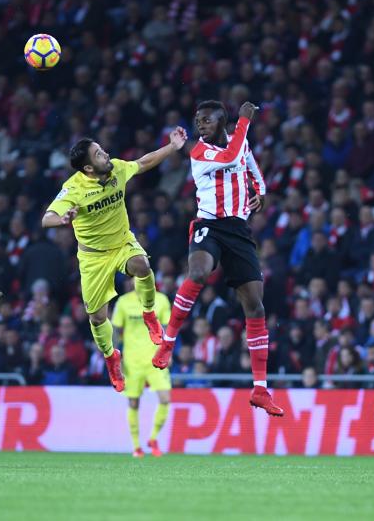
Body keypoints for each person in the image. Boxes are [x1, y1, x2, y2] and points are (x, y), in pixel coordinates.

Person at [152, 100, 283, 417]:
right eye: (198, 120)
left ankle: (260, 389)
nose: (200, 124)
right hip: (209, 225)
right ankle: (168, 341)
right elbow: (232, 157)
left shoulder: (240, 142)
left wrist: (261, 191)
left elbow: (248, 161)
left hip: (239, 230)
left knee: (255, 306)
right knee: (198, 272)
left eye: (207, 120)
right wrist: (245, 121)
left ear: (221, 121)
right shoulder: (200, 151)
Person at [42, 127, 187, 392]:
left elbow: (144, 163)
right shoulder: (73, 188)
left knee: (142, 265)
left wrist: (172, 147)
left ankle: (149, 314)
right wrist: (61, 219)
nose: (106, 154)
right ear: (88, 168)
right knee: (97, 318)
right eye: (99, 154)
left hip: (122, 243)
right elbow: (46, 218)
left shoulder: (117, 169)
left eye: (102, 149)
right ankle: (111, 358)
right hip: (93, 258)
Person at [112, 277, 172, 458]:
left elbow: (169, 330)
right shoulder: (123, 302)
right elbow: (115, 330)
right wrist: (116, 357)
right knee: (133, 402)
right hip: (132, 361)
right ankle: (136, 446)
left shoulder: (161, 300)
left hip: (155, 359)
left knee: (165, 399)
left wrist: (168, 353)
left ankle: (153, 438)